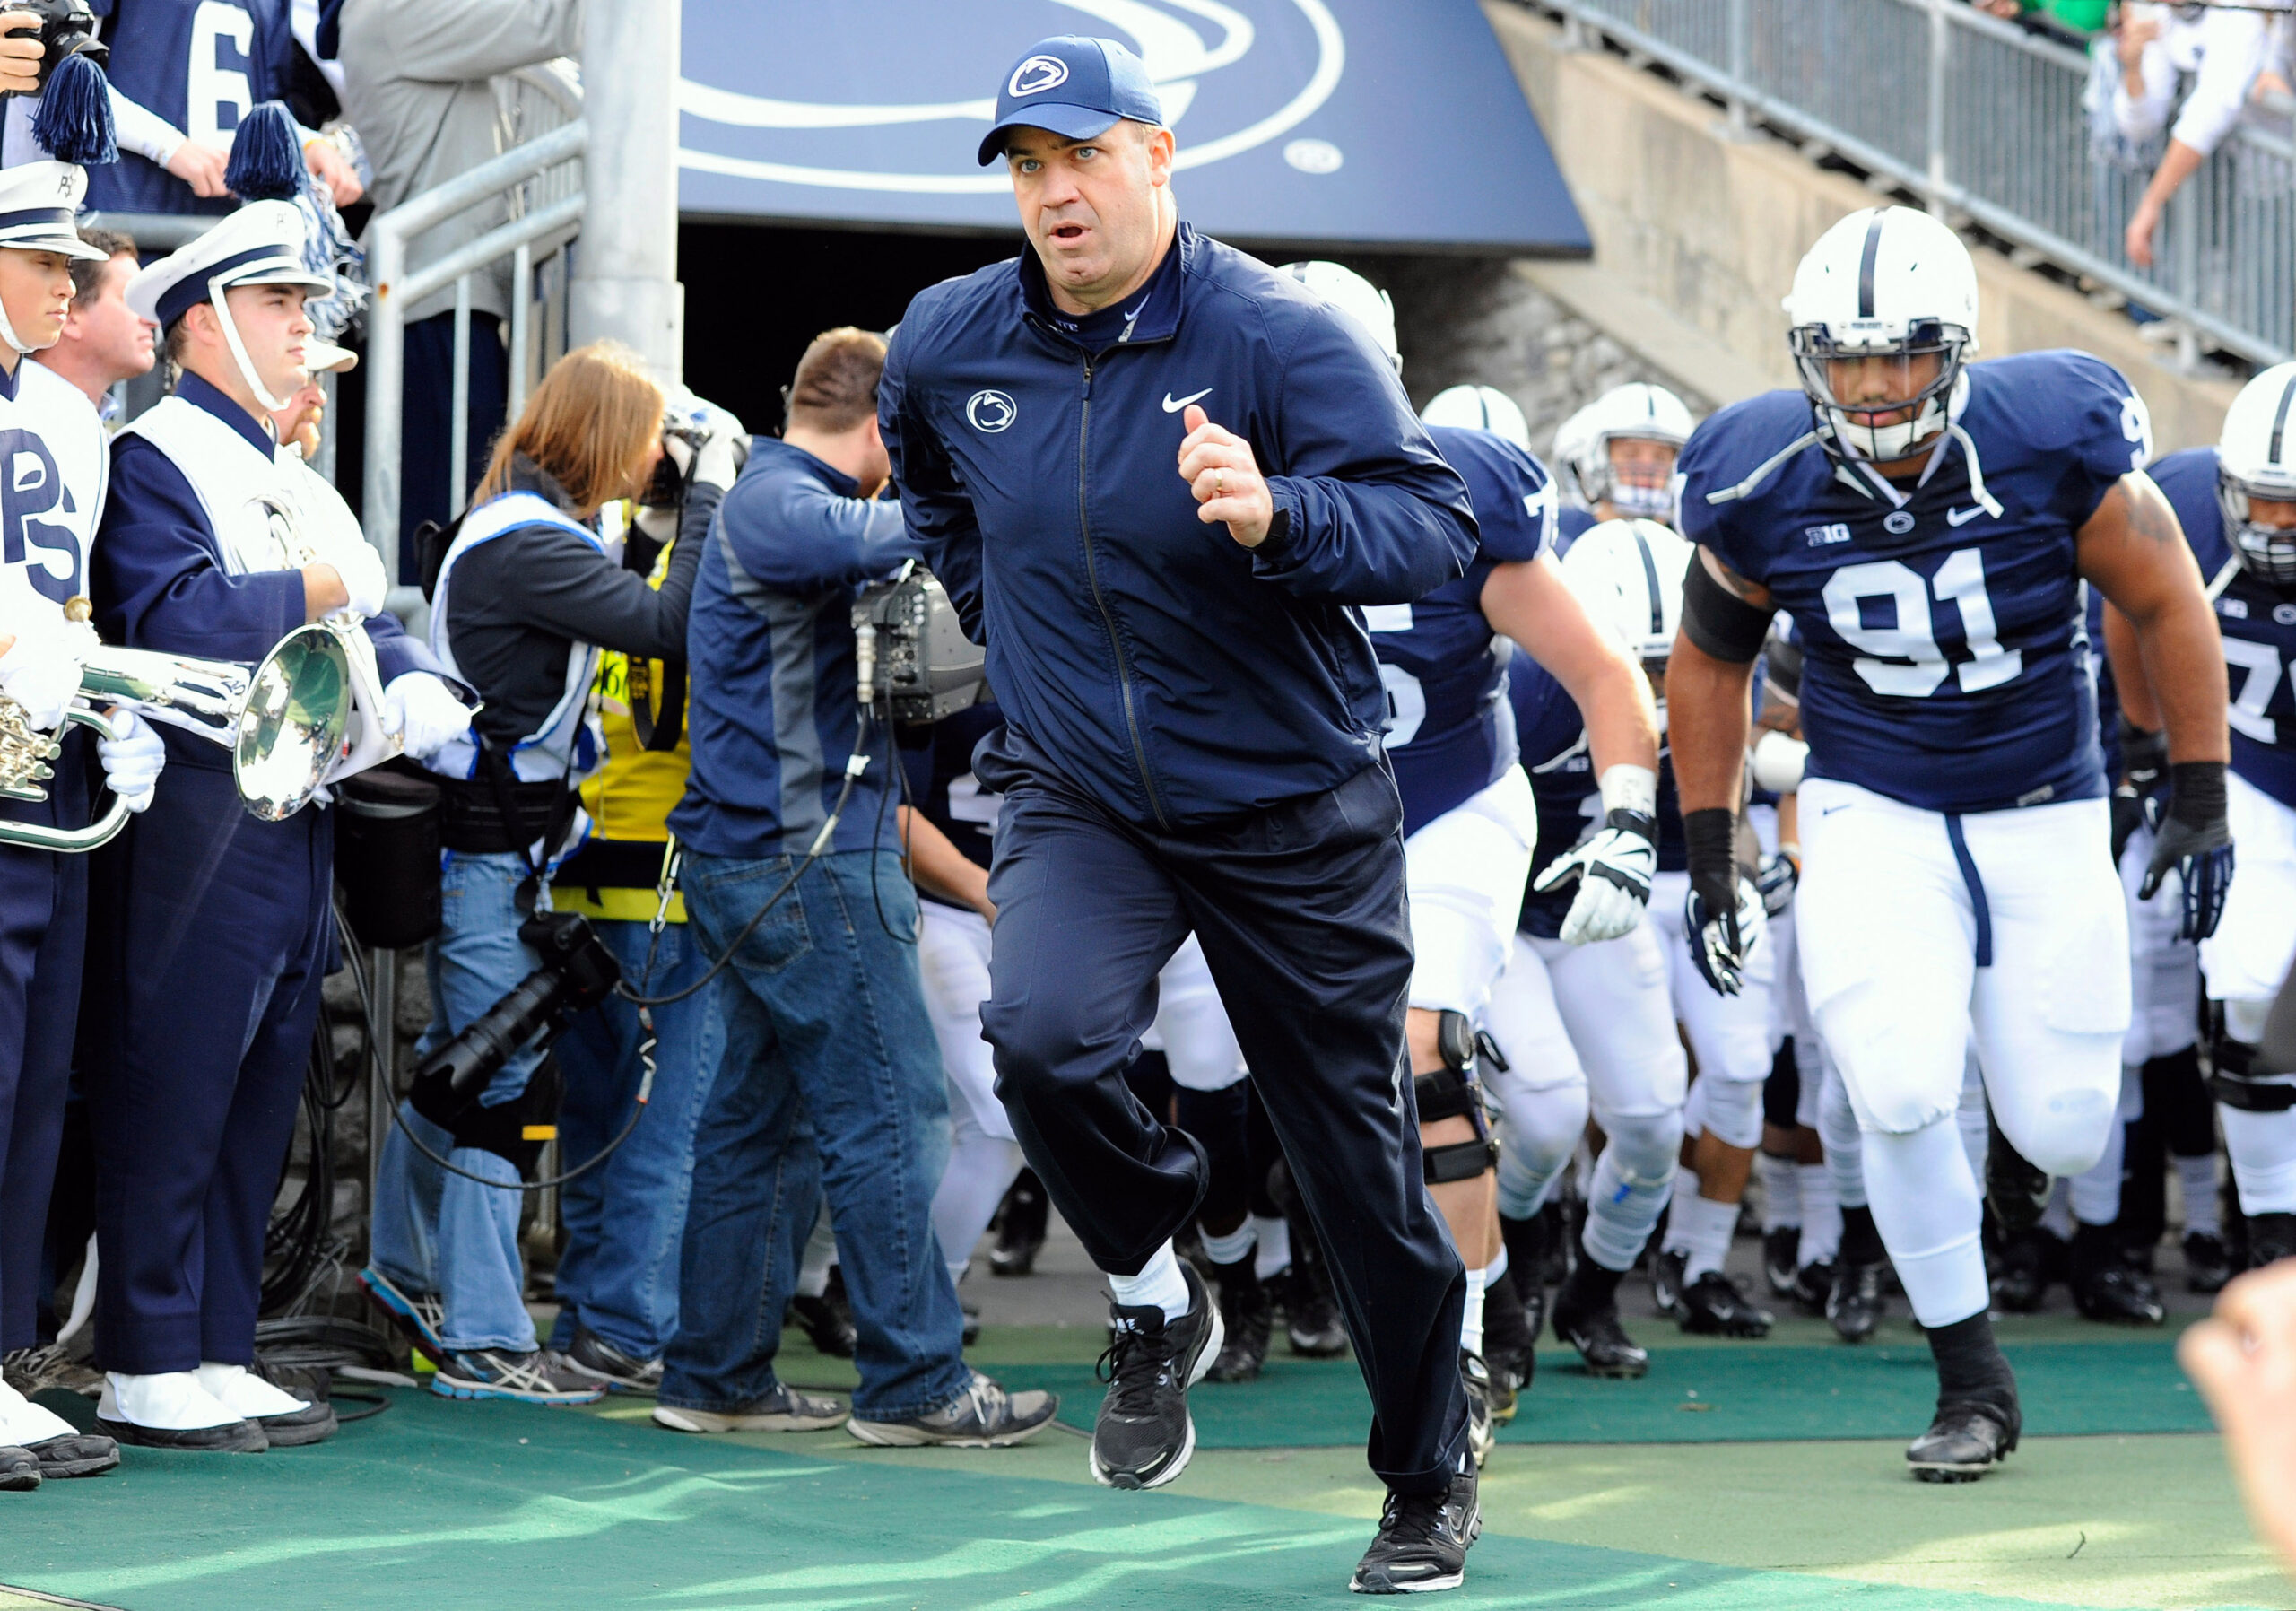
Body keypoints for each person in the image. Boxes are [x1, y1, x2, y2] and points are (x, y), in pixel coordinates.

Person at [882, 35, 1488, 1592]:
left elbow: (1430, 524)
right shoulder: (949, 339)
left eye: (1081, 155)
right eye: (1026, 166)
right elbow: (937, 492)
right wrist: (1003, 622)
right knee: (1040, 1040)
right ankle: (1157, 1286)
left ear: (1157, 153)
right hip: (1081, 790)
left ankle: (1426, 1472)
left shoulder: (1278, 335)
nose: (1054, 193)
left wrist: (1287, 517)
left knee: (1354, 1164)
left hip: (1290, 799)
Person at [1668, 204, 2231, 1481]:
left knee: (2071, 1127)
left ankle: (2019, 1185)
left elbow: (2165, 597)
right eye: (1846, 355)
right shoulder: (1761, 474)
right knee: (1901, 1086)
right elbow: (1709, 662)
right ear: (1808, 355)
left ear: (1958, 351)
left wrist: (2196, 783)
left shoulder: (2044, 443)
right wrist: (1714, 843)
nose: (1871, 385)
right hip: (1877, 798)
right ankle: (1973, 1378)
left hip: (2045, 794)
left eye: (1902, 354)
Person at [87, 198, 466, 1451]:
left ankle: (212, 1340)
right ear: (206, 326)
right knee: (179, 1081)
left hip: (292, 802)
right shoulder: (155, 458)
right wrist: (324, 586)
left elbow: (369, 611)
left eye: (306, 307)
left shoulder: (277, 467)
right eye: (279, 308)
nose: (305, 331)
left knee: (260, 1090)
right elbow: (175, 617)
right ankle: (144, 1355)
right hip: (199, 807)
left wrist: (410, 675)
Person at [654, 326, 1056, 1449]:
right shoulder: (779, 499)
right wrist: (984, 479)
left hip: (770, 862)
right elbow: (891, 529)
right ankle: (916, 1381)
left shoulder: (770, 500)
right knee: (890, 1113)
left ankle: (716, 1372)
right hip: (811, 863)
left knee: (758, 1124)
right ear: (884, 426)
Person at [1297, 280, 1662, 1450]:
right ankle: (1205, 1287)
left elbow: (1607, 672)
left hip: (1453, 803)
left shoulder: (1457, 485)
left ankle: (1454, 1354)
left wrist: (1625, 814)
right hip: (1301, 819)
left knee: (1426, 1051)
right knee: (1286, 1084)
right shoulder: (1207, 482)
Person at [361, 344, 731, 1406]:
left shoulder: (531, 530)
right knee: (492, 1081)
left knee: (457, 1060)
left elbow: (625, 602)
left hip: (501, 854)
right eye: (652, 436)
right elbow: (671, 627)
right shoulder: (528, 544)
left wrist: (665, 514)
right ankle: (479, 1336)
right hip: (489, 851)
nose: (661, 455)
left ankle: (401, 1278)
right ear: (609, 434)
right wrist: (706, 494)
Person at [0, 156, 172, 1490]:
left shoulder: (44, 408)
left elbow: (53, 603)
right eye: (44, 259)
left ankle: (7, 1355)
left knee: (31, 1087)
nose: (67, 282)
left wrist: (107, 694)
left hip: (40, 758)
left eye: (73, 263)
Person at [539, 397, 735, 1395]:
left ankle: (584, 1310)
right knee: (666, 1124)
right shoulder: (700, 593)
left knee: (597, 1115)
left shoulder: (602, 579)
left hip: (580, 888)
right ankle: (622, 1323)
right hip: (668, 893)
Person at [2109, 361, 2296, 1272]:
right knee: (2252, 1000)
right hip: (2249, 769)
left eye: (2293, 507)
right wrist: (2151, 745)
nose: (2273, 527)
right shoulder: (2176, 500)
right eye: (2258, 502)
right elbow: (2126, 604)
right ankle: (2271, 1235)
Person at [336, 0, 580, 573]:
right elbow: (553, 22)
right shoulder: (395, 13)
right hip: (434, 307)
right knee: (438, 529)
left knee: (457, 519)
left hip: (445, 302)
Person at [82, 0, 362, 213]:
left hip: (228, 224)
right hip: (126, 210)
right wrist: (165, 145)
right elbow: (63, 75)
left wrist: (307, 144)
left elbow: (259, 101)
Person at [2114, 1, 2279, 270]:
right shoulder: (2162, 11)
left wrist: (2151, 203)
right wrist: (2133, 67)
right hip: (2222, 179)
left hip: (2272, 182)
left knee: (2267, 281)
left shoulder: (2240, 10)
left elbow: (2210, 112)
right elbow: (2140, 126)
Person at [1551, 383, 1698, 543]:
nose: (1646, 469)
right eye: (1630, 455)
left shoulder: (1690, 543)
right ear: (1599, 458)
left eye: (1660, 457)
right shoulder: (1556, 535)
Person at [28, 225, 150, 416]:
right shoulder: (15, 420)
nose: (151, 321)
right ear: (69, 315)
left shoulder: (89, 422)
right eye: (130, 299)